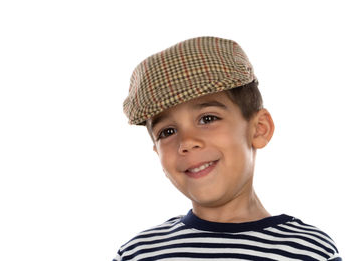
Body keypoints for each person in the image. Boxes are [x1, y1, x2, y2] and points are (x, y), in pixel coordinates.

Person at [114, 36, 341, 260]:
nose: (187, 142)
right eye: (167, 132)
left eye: (208, 118)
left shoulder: (308, 251)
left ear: (259, 129)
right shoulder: (140, 253)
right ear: (157, 153)